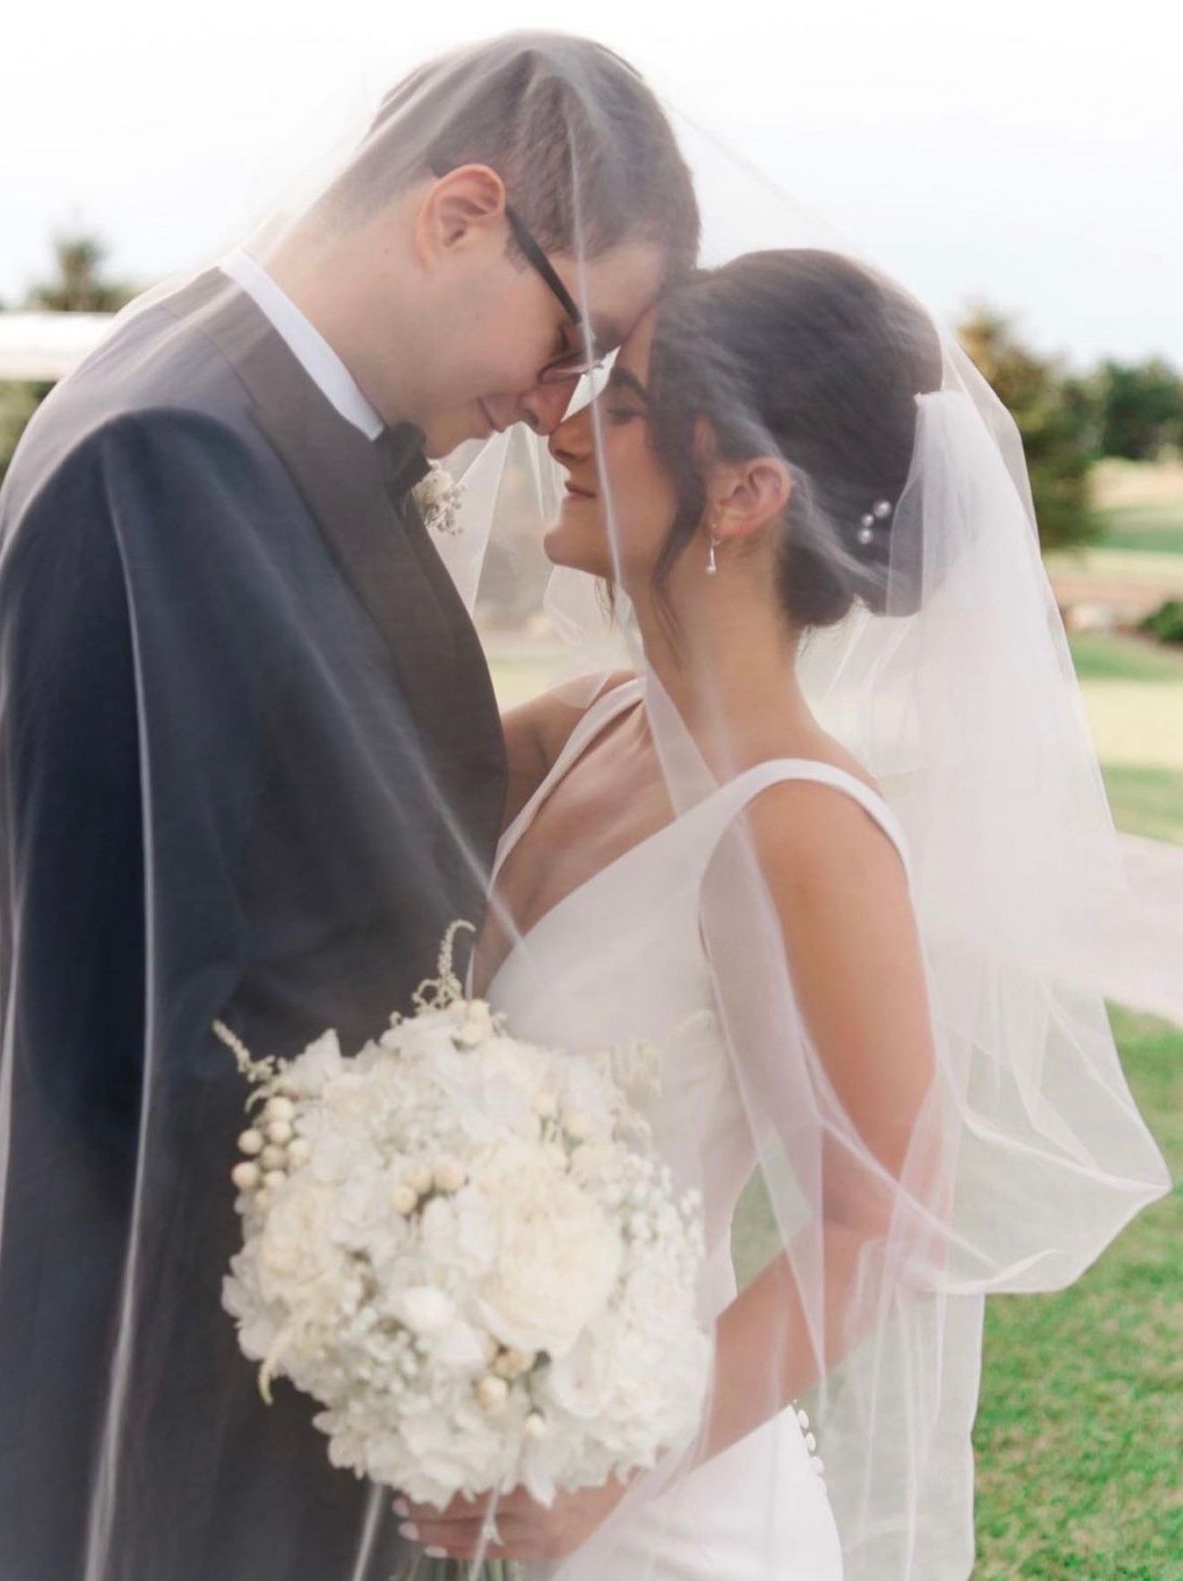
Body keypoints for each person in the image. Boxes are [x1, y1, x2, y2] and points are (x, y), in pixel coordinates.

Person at [0, 33, 698, 1581]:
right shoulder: (171, 452)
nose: (553, 408)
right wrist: (424, 1220)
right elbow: (124, 1026)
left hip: (279, 1369)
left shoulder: (272, 421)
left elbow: (327, 808)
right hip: (184, 1391)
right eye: (567, 338)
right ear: (460, 213)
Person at [394, 250, 1171, 1577]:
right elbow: (337, 740)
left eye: (621, 404)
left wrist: (607, 1466)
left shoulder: (799, 825)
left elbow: (885, 1220)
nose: (560, 425)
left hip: (648, 1520)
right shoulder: (588, 728)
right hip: (470, 1462)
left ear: (745, 491)